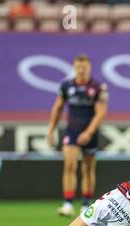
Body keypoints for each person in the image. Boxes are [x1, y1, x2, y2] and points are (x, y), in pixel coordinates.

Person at [46, 55, 108, 217]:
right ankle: (67, 203)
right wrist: (51, 129)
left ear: (89, 68)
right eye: (78, 67)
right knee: (69, 166)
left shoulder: (98, 87)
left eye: (84, 67)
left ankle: (85, 204)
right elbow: (58, 108)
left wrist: (88, 132)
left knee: (88, 168)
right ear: (74, 67)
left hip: (90, 132)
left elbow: (100, 112)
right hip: (72, 131)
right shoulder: (67, 86)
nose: (81, 70)